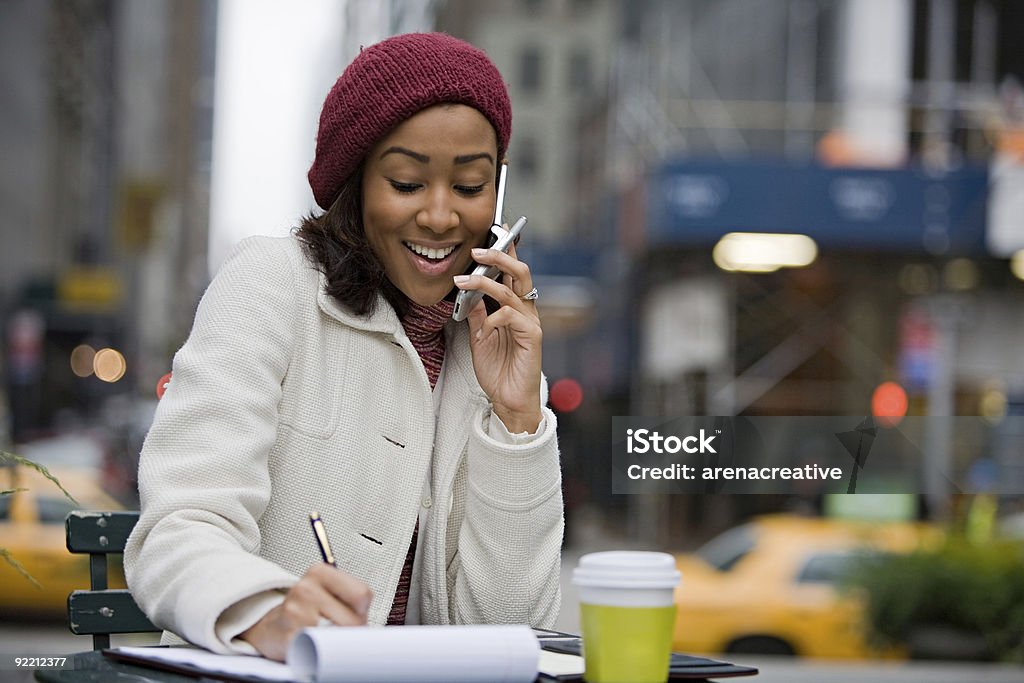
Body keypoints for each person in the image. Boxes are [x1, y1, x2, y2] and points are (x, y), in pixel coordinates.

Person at [124, 32, 563, 662]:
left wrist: (518, 422)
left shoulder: (492, 345)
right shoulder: (271, 284)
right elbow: (178, 530)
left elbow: (510, 626)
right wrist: (267, 610)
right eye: (407, 183)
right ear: (354, 186)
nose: (441, 217)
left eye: (469, 187)